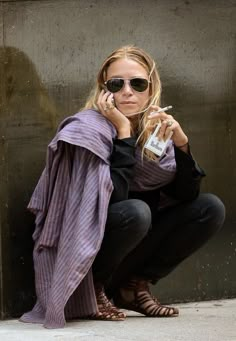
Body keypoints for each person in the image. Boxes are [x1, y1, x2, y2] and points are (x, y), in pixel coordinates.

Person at [20, 45, 225, 328]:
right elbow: (112, 199)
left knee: (209, 208)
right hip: (84, 255)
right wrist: (124, 134)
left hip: (130, 251)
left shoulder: (156, 130)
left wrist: (181, 144)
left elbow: (185, 195)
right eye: (117, 83)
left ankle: (133, 288)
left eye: (138, 83)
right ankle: (92, 292)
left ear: (151, 88)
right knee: (136, 211)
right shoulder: (87, 129)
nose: (127, 91)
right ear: (103, 88)